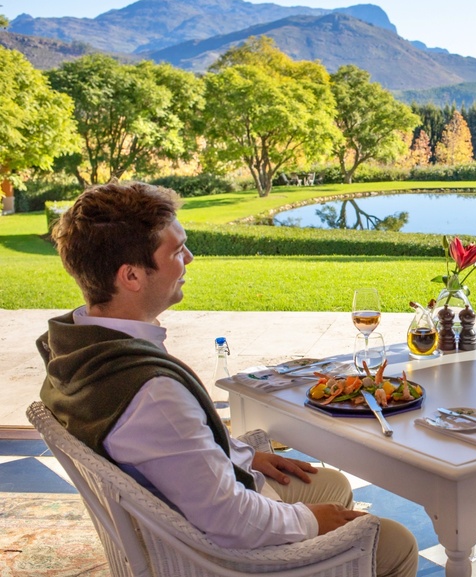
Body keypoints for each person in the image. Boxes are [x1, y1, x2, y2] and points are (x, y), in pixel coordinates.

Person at [37, 181, 418, 577]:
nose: (190, 257)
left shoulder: (80, 345)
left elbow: (172, 450)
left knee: (331, 484)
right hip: (211, 558)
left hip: (177, 522)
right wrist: (310, 522)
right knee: (395, 542)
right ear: (131, 276)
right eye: (175, 250)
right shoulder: (150, 391)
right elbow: (230, 520)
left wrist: (244, 456)